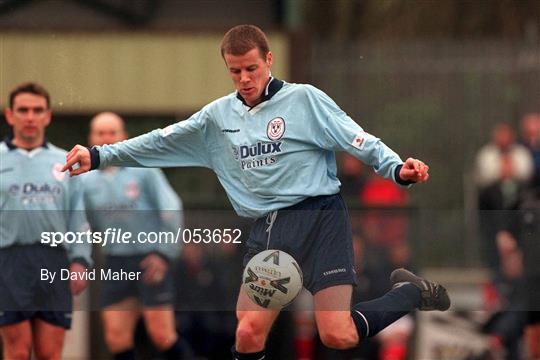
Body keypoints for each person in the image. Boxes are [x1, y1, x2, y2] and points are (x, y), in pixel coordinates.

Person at [61, 25, 450, 359]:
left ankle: (410, 294)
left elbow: (357, 138)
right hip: (271, 230)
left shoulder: (304, 100)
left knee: (338, 334)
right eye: (235, 72)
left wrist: (397, 168)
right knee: (247, 333)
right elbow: (159, 142)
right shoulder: (216, 119)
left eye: (251, 68)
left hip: (322, 220)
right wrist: (98, 155)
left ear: (269, 59)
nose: (244, 78)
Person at [81, 112, 186, 360]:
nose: (106, 138)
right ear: (90, 138)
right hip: (116, 261)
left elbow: (172, 208)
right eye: (100, 133)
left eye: (113, 132)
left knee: (161, 334)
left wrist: (163, 253)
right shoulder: (85, 180)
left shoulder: (144, 169)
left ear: (124, 137)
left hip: (150, 259)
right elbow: (82, 224)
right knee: (116, 338)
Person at [0, 82, 92, 360]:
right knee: (17, 351)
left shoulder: (64, 161)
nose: (30, 117)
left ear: (48, 116)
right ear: (10, 115)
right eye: (23, 110)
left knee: (50, 354)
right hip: (9, 262)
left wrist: (80, 260)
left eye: (37, 110)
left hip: (54, 260)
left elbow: (77, 216)